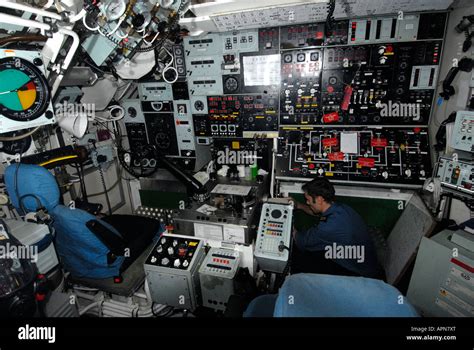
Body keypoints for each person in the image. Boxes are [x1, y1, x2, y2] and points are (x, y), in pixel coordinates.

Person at [289, 178, 382, 278]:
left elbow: (301, 241)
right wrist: (298, 205)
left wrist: (289, 224)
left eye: (308, 200)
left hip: (359, 273)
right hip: (365, 261)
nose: (307, 203)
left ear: (320, 199)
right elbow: (317, 213)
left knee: (298, 259)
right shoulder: (341, 208)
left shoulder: (328, 227)